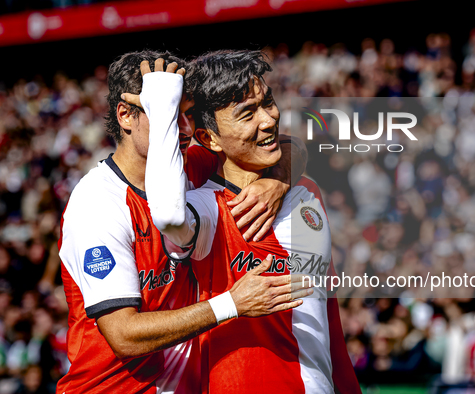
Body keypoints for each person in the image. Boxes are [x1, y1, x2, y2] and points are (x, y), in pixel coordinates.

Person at [57, 50, 311, 394]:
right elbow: (123, 336)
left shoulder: (190, 164)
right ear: (125, 115)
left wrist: (277, 179)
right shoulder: (97, 204)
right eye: (169, 114)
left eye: (189, 115)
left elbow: (282, 143)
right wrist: (232, 304)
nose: (186, 129)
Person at [136, 49, 361, 394]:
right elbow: (167, 214)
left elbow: (326, 322)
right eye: (247, 114)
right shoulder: (206, 208)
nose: (269, 120)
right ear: (209, 138)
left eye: (267, 102)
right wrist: (163, 99)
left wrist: (280, 177)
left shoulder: (307, 192)